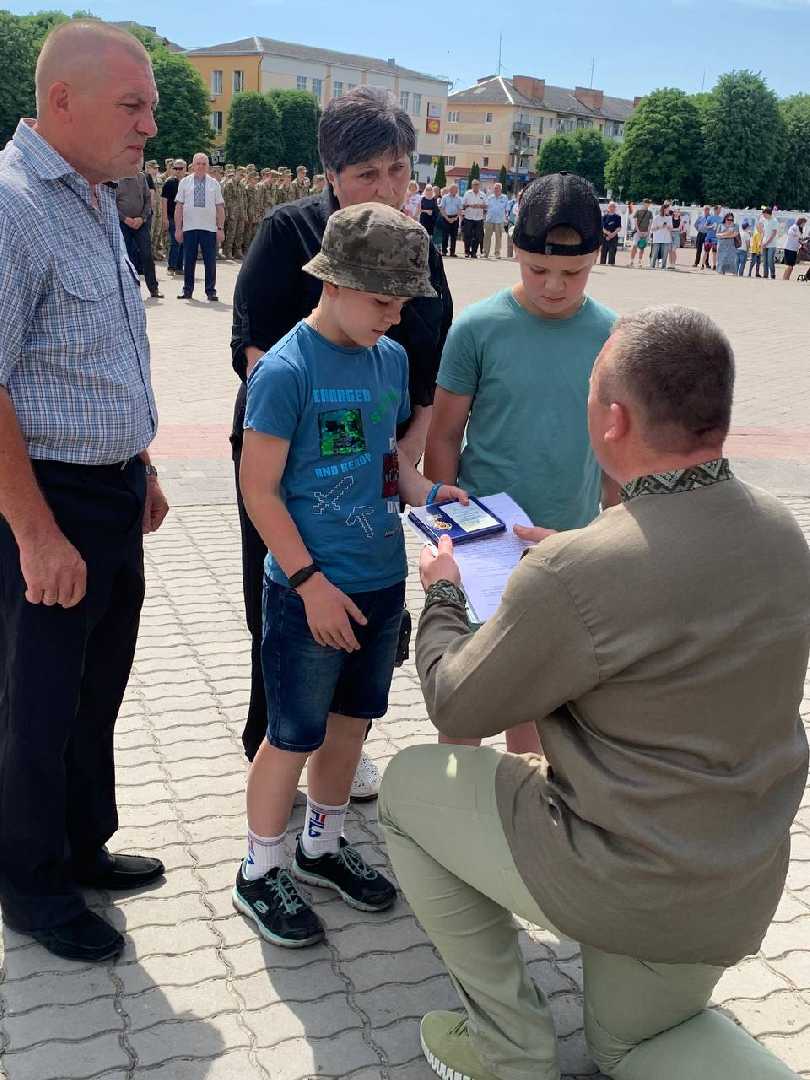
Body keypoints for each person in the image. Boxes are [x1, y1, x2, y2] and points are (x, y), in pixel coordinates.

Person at [380, 304, 810, 1080]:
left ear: (613, 420)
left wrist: (443, 591)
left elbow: (457, 703)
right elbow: (670, 599)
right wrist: (567, 556)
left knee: (409, 789)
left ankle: (508, 1048)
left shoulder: (579, 573)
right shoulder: (782, 532)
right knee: (629, 1046)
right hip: (735, 880)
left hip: (620, 874)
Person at [233, 203, 467, 948]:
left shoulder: (388, 361)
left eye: (402, 305)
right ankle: (259, 868)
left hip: (377, 582)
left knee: (350, 726)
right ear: (331, 283)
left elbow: (385, 461)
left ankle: (322, 847)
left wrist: (430, 494)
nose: (393, 319)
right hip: (309, 593)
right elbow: (258, 490)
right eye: (381, 302)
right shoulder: (285, 371)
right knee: (291, 735)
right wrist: (308, 583)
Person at [0, 19, 171, 964]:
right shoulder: (14, 205)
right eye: (133, 105)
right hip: (45, 499)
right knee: (32, 703)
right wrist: (35, 533)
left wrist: (140, 464)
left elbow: (96, 355)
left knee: (93, 691)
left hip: (109, 493)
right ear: (62, 101)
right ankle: (29, 884)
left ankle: (79, 846)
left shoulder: (93, 196)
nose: (149, 124)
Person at [230, 86, 453, 786]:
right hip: (290, 462)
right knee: (289, 614)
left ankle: (338, 753)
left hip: (382, 462)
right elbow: (254, 351)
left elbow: (428, 366)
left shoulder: (416, 247)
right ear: (331, 174)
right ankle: (275, 745)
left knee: (362, 618)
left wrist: (405, 456)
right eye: (367, 174)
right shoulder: (289, 233)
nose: (387, 188)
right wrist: (338, 444)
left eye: (398, 170)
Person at [424, 172, 619, 758]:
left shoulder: (612, 336)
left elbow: (618, 453)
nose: (554, 286)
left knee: (540, 711)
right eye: (538, 270)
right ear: (514, 250)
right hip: (485, 545)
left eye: (573, 273)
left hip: (568, 545)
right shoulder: (478, 328)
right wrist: (446, 533)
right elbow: (444, 436)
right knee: (470, 702)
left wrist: (617, 537)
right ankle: (453, 805)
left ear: (597, 256)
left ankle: (524, 813)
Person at [175, 152, 224, 302]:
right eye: (198, 163)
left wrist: (220, 228)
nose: (201, 166)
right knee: (189, 261)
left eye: (204, 164)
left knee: (210, 261)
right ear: (193, 165)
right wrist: (178, 228)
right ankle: (187, 290)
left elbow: (220, 207)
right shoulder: (185, 182)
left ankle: (211, 291)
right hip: (189, 227)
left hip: (209, 229)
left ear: (208, 166)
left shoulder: (214, 183)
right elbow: (179, 207)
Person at [116, 170, 162, 298]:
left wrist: (142, 218)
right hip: (123, 224)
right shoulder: (115, 178)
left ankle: (153, 288)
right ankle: (130, 290)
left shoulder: (141, 177)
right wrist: (125, 219)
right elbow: (111, 203)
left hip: (141, 223)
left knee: (147, 255)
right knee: (127, 257)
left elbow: (148, 200)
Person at [161, 158, 185, 276]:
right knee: (175, 241)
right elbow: (164, 201)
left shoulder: (188, 182)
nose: (178, 170)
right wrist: (165, 218)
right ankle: (171, 267)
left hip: (186, 217)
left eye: (180, 168)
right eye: (175, 168)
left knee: (183, 242)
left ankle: (179, 267)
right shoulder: (169, 182)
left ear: (185, 169)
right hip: (172, 216)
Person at [483, 182, 510, 258]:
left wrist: (506, 218)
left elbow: (507, 209)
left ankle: (497, 253)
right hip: (489, 219)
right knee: (487, 237)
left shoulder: (505, 197)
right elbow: (485, 208)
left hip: (499, 220)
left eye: (497, 188)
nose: (496, 190)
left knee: (498, 238)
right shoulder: (489, 197)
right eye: (495, 188)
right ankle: (485, 253)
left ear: (501, 189)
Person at [461, 178, 487, 258]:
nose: (476, 186)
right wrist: (469, 205)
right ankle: (467, 251)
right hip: (468, 217)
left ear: (479, 186)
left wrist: (479, 206)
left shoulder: (483, 194)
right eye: (474, 185)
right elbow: (463, 205)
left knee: (478, 236)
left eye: (477, 185)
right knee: (467, 235)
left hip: (479, 218)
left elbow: (486, 205)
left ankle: (474, 252)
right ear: (472, 186)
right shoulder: (467, 193)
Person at [440, 183, 462, 257]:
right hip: (446, 217)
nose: (455, 191)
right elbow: (442, 209)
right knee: (445, 235)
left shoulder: (458, 199)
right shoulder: (445, 198)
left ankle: (452, 252)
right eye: (454, 189)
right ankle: (444, 251)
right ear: (450, 190)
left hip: (455, 218)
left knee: (454, 236)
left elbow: (460, 209)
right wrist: (447, 218)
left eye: (456, 190)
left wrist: (455, 218)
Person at [629, 197, 652, 267]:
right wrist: (638, 231)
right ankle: (631, 261)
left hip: (645, 232)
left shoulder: (650, 212)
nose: (647, 204)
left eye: (648, 203)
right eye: (646, 203)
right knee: (634, 245)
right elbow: (635, 222)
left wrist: (648, 232)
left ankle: (639, 261)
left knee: (642, 246)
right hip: (637, 231)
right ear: (644, 203)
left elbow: (650, 223)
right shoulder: (638, 211)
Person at [649, 203, 672, 270]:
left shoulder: (669, 218)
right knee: (655, 253)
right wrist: (660, 227)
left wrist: (668, 226)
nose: (669, 210)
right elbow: (652, 229)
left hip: (666, 238)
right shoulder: (656, 217)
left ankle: (663, 266)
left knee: (665, 254)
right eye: (668, 209)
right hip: (657, 238)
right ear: (664, 209)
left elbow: (671, 228)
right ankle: (652, 266)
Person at [782, 216, 806, 280]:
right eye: (803, 223)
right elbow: (790, 233)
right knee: (790, 266)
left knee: (791, 266)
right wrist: (798, 238)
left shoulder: (800, 229)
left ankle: (787, 278)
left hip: (794, 249)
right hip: (789, 248)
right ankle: (785, 278)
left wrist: (802, 242)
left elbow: (799, 239)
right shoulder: (794, 227)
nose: (804, 225)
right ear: (800, 222)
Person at [599, 200, 621, 265]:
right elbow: (602, 228)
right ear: (608, 207)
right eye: (610, 206)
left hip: (614, 237)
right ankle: (602, 266)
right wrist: (608, 234)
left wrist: (613, 234)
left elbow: (619, 227)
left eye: (613, 206)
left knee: (612, 253)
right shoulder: (604, 216)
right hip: (605, 237)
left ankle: (611, 267)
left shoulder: (618, 217)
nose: (612, 208)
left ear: (615, 208)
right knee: (603, 254)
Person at [760, 207, 779, 280]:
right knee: (764, 261)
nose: (763, 216)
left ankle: (772, 274)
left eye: (764, 214)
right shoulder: (765, 220)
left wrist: (766, 243)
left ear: (768, 214)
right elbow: (763, 232)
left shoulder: (774, 221)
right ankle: (765, 275)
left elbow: (773, 234)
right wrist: (761, 241)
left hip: (772, 244)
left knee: (770, 260)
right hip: (764, 243)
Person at [701, 205, 721, 270]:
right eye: (719, 209)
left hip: (716, 238)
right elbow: (705, 226)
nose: (720, 211)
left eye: (720, 210)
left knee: (714, 252)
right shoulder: (710, 217)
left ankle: (714, 266)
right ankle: (702, 265)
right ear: (715, 210)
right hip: (709, 238)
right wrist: (711, 226)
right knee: (706, 252)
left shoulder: (721, 218)